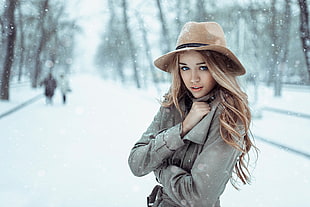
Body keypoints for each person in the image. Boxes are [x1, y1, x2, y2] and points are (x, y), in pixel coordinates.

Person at [128, 22, 257, 207]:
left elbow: (198, 198)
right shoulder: (173, 104)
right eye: (185, 68)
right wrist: (182, 129)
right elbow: (136, 163)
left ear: (218, 68)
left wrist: (159, 167)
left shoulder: (228, 116)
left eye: (203, 67)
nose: (193, 78)